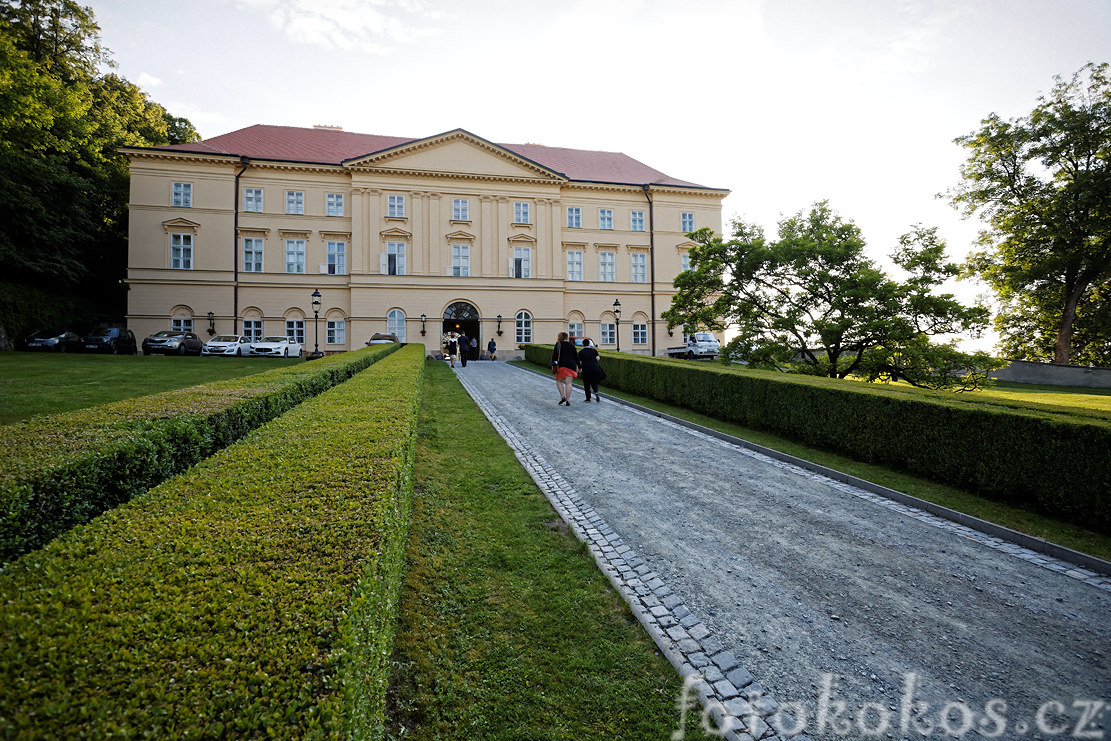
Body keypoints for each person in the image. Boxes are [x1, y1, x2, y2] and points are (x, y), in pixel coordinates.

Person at [551, 331, 579, 406]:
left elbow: (554, 356)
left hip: (561, 365)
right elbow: (576, 357)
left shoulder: (558, 344)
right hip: (571, 365)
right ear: (567, 337)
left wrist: (553, 365)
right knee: (568, 383)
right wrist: (580, 366)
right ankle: (568, 400)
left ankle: (562, 397)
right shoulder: (572, 345)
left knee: (559, 381)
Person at [578, 338, 605, 402]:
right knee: (594, 381)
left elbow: (579, 362)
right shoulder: (594, 350)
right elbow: (598, 358)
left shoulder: (581, 352)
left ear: (583, 345)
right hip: (594, 368)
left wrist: (579, 368)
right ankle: (596, 392)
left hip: (586, 369)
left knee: (586, 383)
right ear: (589, 344)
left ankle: (588, 398)